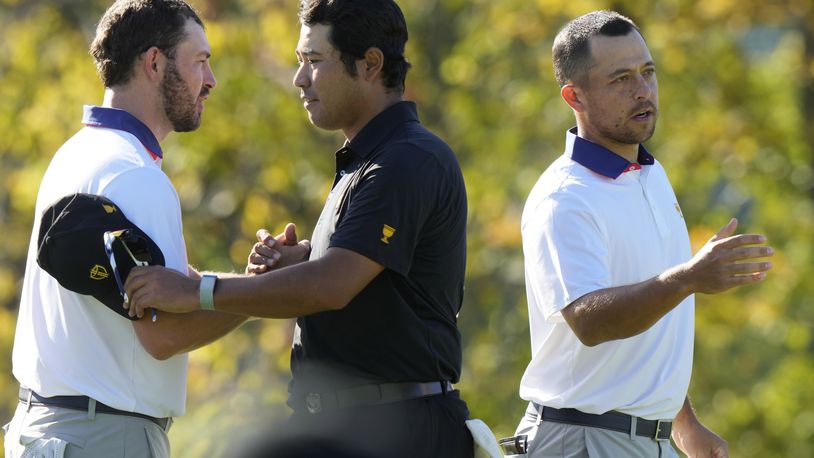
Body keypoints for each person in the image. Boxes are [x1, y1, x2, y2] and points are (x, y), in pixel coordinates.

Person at [122, 0, 474, 456]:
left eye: (313, 61)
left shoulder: (407, 159)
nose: (299, 78)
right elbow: (359, 283)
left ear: (370, 64)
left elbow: (330, 287)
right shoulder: (368, 160)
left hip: (400, 432)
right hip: (353, 427)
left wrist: (199, 292)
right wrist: (304, 263)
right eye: (298, 62)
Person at [2, 1, 266, 456]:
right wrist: (264, 294)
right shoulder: (137, 175)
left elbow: (166, 288)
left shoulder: (74, 153)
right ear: (155, 62)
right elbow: (162, 335)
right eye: (200, 61)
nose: (211, 81)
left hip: (40, 430)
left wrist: (241, 279)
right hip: (106, 437)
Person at [507, 10, 774, 458]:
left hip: (647, 439)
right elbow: (590, 321)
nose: (642, 90)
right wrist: (688, 277)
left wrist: (682, 422)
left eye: (648, 72)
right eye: (620, 79)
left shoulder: (651, 174)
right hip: (582, 440)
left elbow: (652, 314)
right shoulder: (564, 198)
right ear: (575, 96)